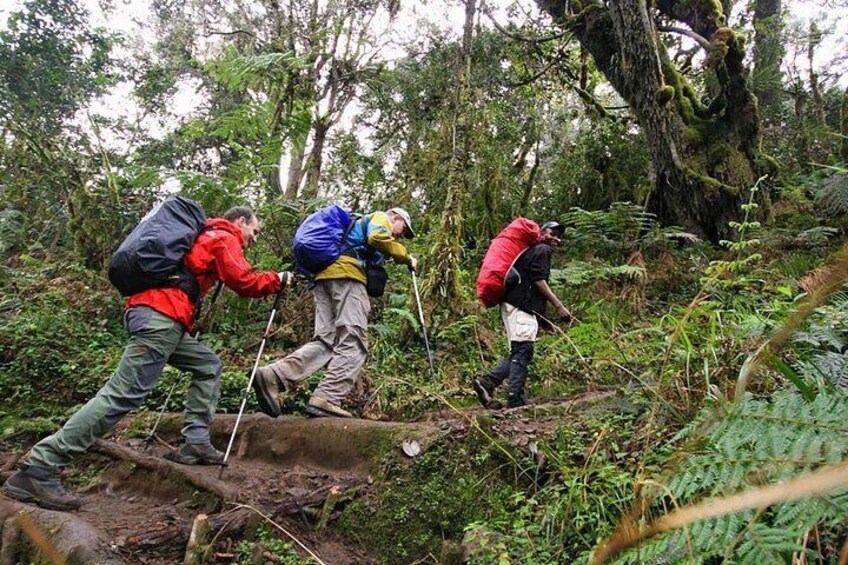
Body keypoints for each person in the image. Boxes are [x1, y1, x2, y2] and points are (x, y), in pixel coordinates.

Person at [2, 206, 292, 511]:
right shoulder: (223, 235)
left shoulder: (202, 236)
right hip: (160, 318)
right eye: (254, 231)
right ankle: (41, 466)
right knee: (122, 395)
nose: (253, 238)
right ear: (241, 221)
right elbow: (244, 280)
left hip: (160, 317)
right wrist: (277, 279)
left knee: (208, 365)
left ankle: (195, 442)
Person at [253, 207, 417, 419]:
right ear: (396, 217)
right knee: (354, 340)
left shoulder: (358, 228)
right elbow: (378, 237)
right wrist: (405, 256)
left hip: (324, 278)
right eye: (403, 229)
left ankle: (274, 376)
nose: (400, 235)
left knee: (327, 341)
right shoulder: (381, 218)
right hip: (347, 276)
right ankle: (328, 398)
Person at [472, 221, 571, 409]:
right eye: (552, 233)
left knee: (520, 350)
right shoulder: (542, 249)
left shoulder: (528, 251)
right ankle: (514, 397)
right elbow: (537, 280)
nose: (556, 239)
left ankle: (488, 383)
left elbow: (528, 283)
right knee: (523, 350)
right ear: (542, 232)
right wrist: (559, 306)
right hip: (520, 307)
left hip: (513, 305)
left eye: (559, 236)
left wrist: (543, 321)